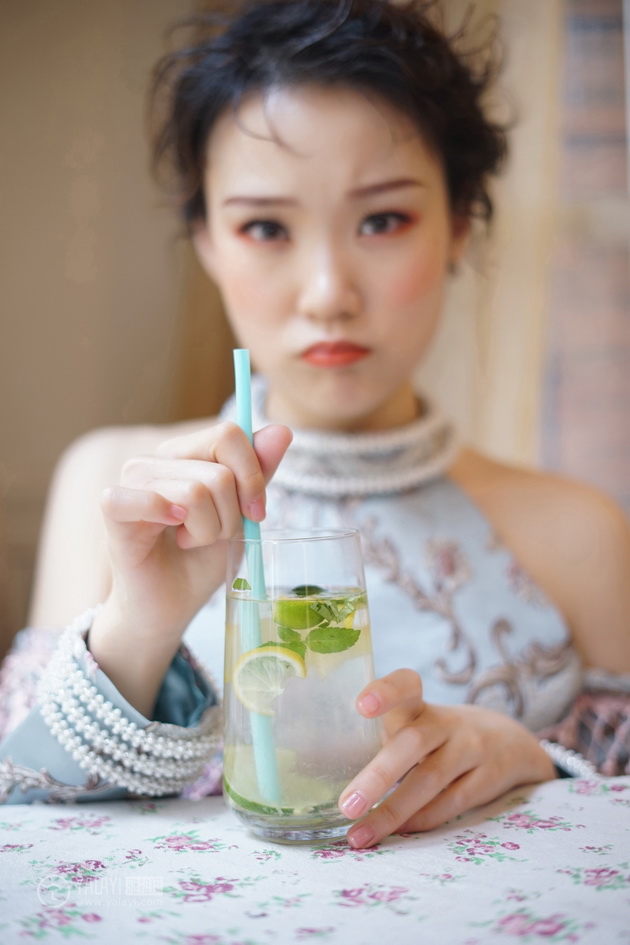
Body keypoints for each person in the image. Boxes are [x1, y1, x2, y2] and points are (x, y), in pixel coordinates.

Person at [1, 0, 629, 847]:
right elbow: (21, 829)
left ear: (459, 224)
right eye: (265, 226)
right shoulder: (115, 491)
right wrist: (139, 628)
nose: (329, 291)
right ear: (208, 241)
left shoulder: (580, 532)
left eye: (383, 220)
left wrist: (537, 763)